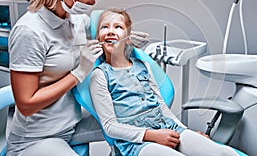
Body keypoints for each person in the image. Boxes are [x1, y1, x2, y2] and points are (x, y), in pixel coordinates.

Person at [7, 0, 148, 156]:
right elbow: (26, 104)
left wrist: (125, 40)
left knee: (141, 119)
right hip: (37, 137)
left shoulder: (76, 21)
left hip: (72, 122)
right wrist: (78, 74)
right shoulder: (30, 32)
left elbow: (105, 32)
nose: (93, 2)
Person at [90, 8, 240, 156]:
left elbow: (161, 105)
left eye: (118, 27)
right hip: (135, 142)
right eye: (105, 27)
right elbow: (110, 126)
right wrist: (151, 135)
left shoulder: (143, 66)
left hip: (166, 126)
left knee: (224, 152)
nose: (110, 31)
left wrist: (185, 131)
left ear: (128, 37)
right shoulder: (100, 75)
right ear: (98, 38)